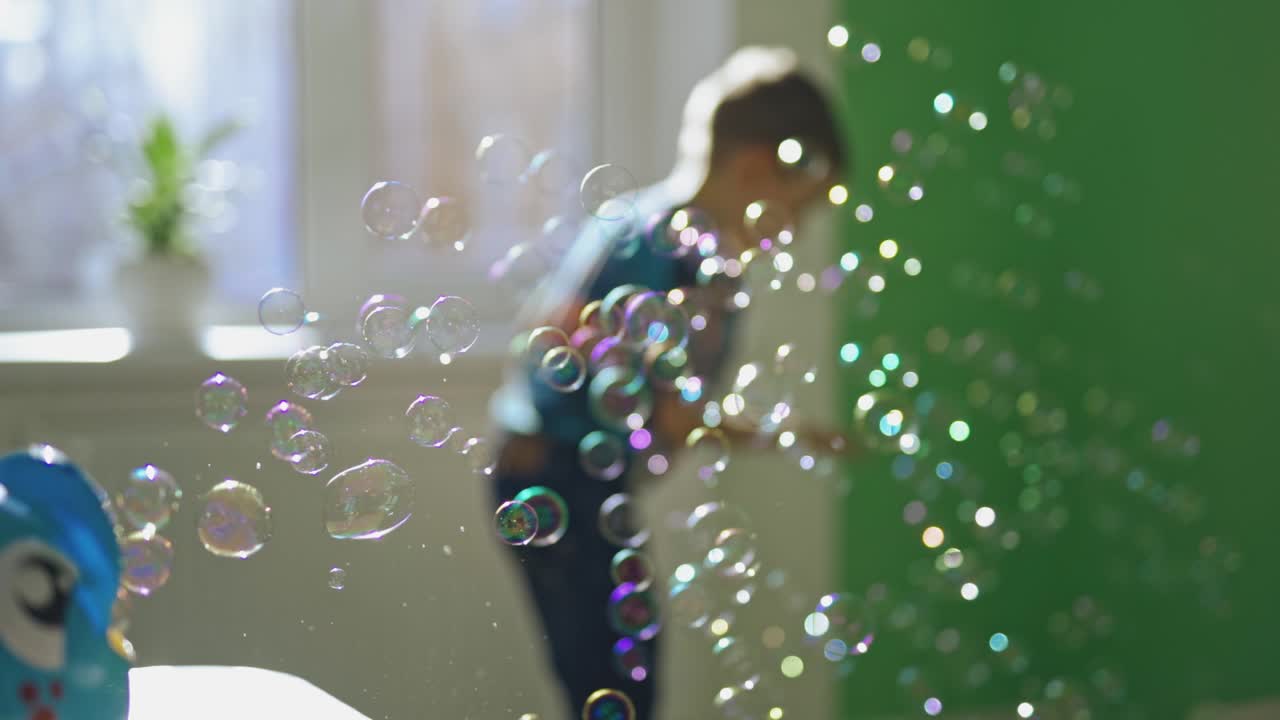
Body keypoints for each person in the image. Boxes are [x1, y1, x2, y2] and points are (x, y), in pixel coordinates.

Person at [489, 46, 850, 720]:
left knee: (611, 680)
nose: (794, 232)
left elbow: (555, 333)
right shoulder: (685, 261)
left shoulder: (642, 223)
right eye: (796, 208)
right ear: (753, 168)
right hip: (558, 478)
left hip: (560, 477)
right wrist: (789, 434)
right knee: (620, 688)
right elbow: (672, 415)